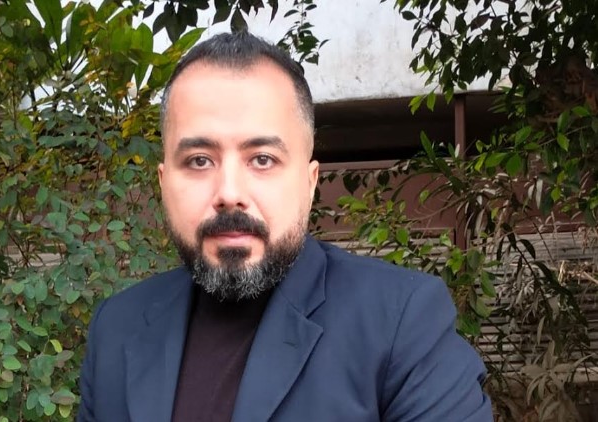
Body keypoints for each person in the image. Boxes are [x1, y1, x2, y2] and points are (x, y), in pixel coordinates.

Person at [77, 31, 493, 422]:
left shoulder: (401, 323)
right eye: (199, 160)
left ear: (310, 184)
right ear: (164, 182)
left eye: (262, 159)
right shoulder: (117, 327)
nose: (229, 193)